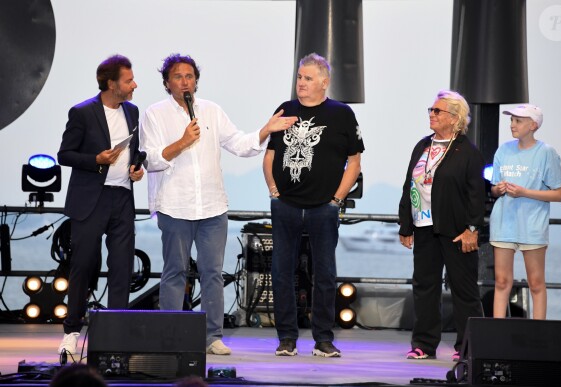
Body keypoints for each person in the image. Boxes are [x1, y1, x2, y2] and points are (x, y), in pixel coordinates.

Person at [139, 53, 296, 356]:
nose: (184, 82)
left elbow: (238, 143)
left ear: (196, 80)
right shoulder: (155, 113)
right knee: (174, 272)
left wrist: (265, 129)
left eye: (189, 76)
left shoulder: (211, 111)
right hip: (175, 206)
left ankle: (213, 336)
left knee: (213, 272)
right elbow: (152, 160)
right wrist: (183, 142)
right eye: (177, 77)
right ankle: (170, 335)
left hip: (212, 206)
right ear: (166, 83)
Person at [263, 53, 364, 358]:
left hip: (323, 207)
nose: (301, 83)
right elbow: (269, 155)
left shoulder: (341, 113)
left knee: (325, 273)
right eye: (299, 77)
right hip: (286, 206)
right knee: (281, 272)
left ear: (324, 81)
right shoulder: (285, 109)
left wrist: (337, 199)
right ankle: (286, 339)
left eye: (308, 78)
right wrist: (273, 190)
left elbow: (354, 161)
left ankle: (323, 339)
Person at [57, 54, 143, 355]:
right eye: (128, 80)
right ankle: (71, 331)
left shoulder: (132, 111)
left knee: (121, 267)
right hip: (91, 199)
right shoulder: (82, 113)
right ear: (111, 84)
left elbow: (136, 151)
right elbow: (64, 155)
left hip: (122, 197)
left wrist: (136, 168)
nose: (134, 85)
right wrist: (95, 160)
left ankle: (115, 335)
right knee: (82, 265)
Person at [398, 89, 485, 361]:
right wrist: (405, 225)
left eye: (438, 111)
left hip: (457, 231)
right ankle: (423, 344)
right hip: (424, 226)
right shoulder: (422, 145)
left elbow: (476, 195)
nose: (432, 115)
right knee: (425, 287)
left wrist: (472, 229)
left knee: (464, 290)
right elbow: (409, 185)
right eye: (431, 110)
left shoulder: (467, 151)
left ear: (455, 118)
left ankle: (469, 348)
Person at [490, 104, 561, 320]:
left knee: (536, 282)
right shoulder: (503, 150)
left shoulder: (546, 153)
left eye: (518, 121)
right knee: (502, 281)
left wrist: (524, 192)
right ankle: (498, 333)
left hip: (532, 226)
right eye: (511, 120)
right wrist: (498, 189)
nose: (512, 125)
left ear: (533, 125)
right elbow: (493, 189)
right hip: (503, 223)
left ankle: (538, 335)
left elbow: (559, 194)